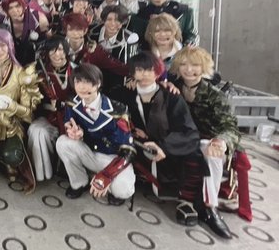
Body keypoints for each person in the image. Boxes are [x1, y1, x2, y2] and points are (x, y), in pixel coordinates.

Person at [109, 52, 231, 238]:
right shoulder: (124, 92)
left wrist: (164, 146)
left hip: (167, 147)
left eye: (149, 70)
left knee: (195, 153)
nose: (144, 74)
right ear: (132, 73)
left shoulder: (171, 95)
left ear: (158, 72)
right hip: (138, 147)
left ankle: (190, 203)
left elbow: (189, 132)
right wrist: (131, 129)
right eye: (139, 70)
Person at [170, 47, 252, 222]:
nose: (189, 69)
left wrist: (221, 141)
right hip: (185, 139)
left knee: (212, 152)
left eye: (195, 65)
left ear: (204, 67)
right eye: (183, 64)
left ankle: (210, 207)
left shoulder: (215, 95)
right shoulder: (173, 88)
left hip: (210, 139)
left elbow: (230, 126)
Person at [56, 64, 137, 205]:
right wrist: (75, 134)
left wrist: (107, 175)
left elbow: (129, 151)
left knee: (122, 191)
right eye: (78, 81)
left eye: (87, 81)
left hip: (112, 159)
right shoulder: (72, 102)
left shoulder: (118, 110)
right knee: (63, 142)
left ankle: (101, 179)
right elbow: (69, 124)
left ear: (98, 83)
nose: (82, 87)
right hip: (88, 153)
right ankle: (80, 183)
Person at [0, 30, 42, 192]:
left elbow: (28, 113)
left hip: (11, 126)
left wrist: (12, 106)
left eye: (3, 45)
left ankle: (6, 162)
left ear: (10, 46)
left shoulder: (21, 74)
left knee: (12, 156)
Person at [27, 36, 73, 182]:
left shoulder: (77, 70)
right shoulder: (41, 73)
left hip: (73, 120)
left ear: (66, 51)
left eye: (60, 50)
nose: (57, 54)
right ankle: (42, 174)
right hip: (49, 117)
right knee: (36, 131)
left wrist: (64, 105)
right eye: (52, 50)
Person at [129, 0, 198, 46]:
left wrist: (188, 43)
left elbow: (191, 34)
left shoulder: (184, 10)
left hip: (178, 50)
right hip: (148, 51)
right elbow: (137, 37)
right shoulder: (141, 14)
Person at [63, 13, 129, 81]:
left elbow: (118, 66)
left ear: (85, 30)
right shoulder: (58, 47)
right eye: (70, 29)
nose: (75, 33)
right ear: (65, 31)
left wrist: (132, 76)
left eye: (79, 29)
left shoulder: (96, 51)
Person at [87, 4, 139, 90]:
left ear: (123, 22)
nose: (113, 23)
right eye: (109, 19)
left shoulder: (129, 37)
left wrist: (131, 77)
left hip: (117, 78)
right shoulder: (92, 32)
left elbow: (131, 64)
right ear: (103, 20)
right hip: (93, 75)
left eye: (118, 20)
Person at [0, 0, 44, 66]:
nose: (14, 10)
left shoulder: (38, 18)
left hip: (34, 63)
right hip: (9, 63)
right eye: (10, 8)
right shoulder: (1, 21)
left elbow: (47, 42)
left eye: (17, 6)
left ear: (23, 5)